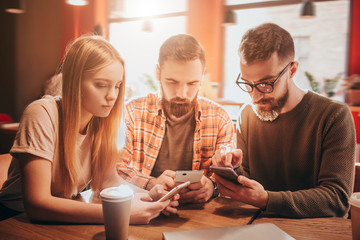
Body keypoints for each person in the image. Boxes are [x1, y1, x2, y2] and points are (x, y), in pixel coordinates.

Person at [0, 35, 178, 223]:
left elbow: (107, 181)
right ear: (74, 81)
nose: (112, 96)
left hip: (60, 217)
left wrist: (148, 196)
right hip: (14, 218)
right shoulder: (41, 113)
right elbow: (37, 204)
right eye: (101, 85)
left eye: (117, 86)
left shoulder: (102, 121)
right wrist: (120, 214)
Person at [211, 23, 356, 218]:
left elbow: (337, 200)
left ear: (292, 70)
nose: (255, 97)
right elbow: (251, 187)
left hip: (315, 232)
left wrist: (267, 200)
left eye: (266, 83)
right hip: (258, 228)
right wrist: (233, 170)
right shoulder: (247, 115)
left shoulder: (333, 116)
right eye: (247, 83)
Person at [117, 34, 234, 203]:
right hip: (144, 208)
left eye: (192, 84)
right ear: (158, 73)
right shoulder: (132, 112)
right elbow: (116, 169)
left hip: (202, 217)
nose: (182, 93)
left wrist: (212, 186)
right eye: (172, 82)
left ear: (202, 77)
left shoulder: (220, 118)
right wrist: (151, 184)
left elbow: (227, 173)